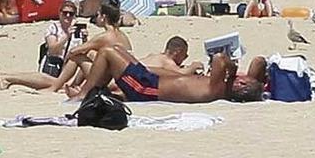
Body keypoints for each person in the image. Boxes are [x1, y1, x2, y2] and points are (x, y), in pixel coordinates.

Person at [0, 0, 132, 92]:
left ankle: (10, 78)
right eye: (65, 13)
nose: (67, 16)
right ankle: (9, 78)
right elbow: (52, 49)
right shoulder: (123, 37)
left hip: (96, 76)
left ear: (103, 17)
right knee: (81, 57)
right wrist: (67, 37)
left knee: (78, 57)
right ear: (59, 13)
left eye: (71, 14)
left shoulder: (104, 36)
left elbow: (78, 52)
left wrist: (84, 41)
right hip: (55, 66)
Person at [68, 45, 263, 103]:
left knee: (107, 52)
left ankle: (84, 94)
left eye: (242, 78)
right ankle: (95, 91)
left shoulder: (218, 87)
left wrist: (233, 67)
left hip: (146, 88)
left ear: (241, 85)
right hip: (149, 81)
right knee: (117, 49)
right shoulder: (219, 87)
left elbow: (219, 57)